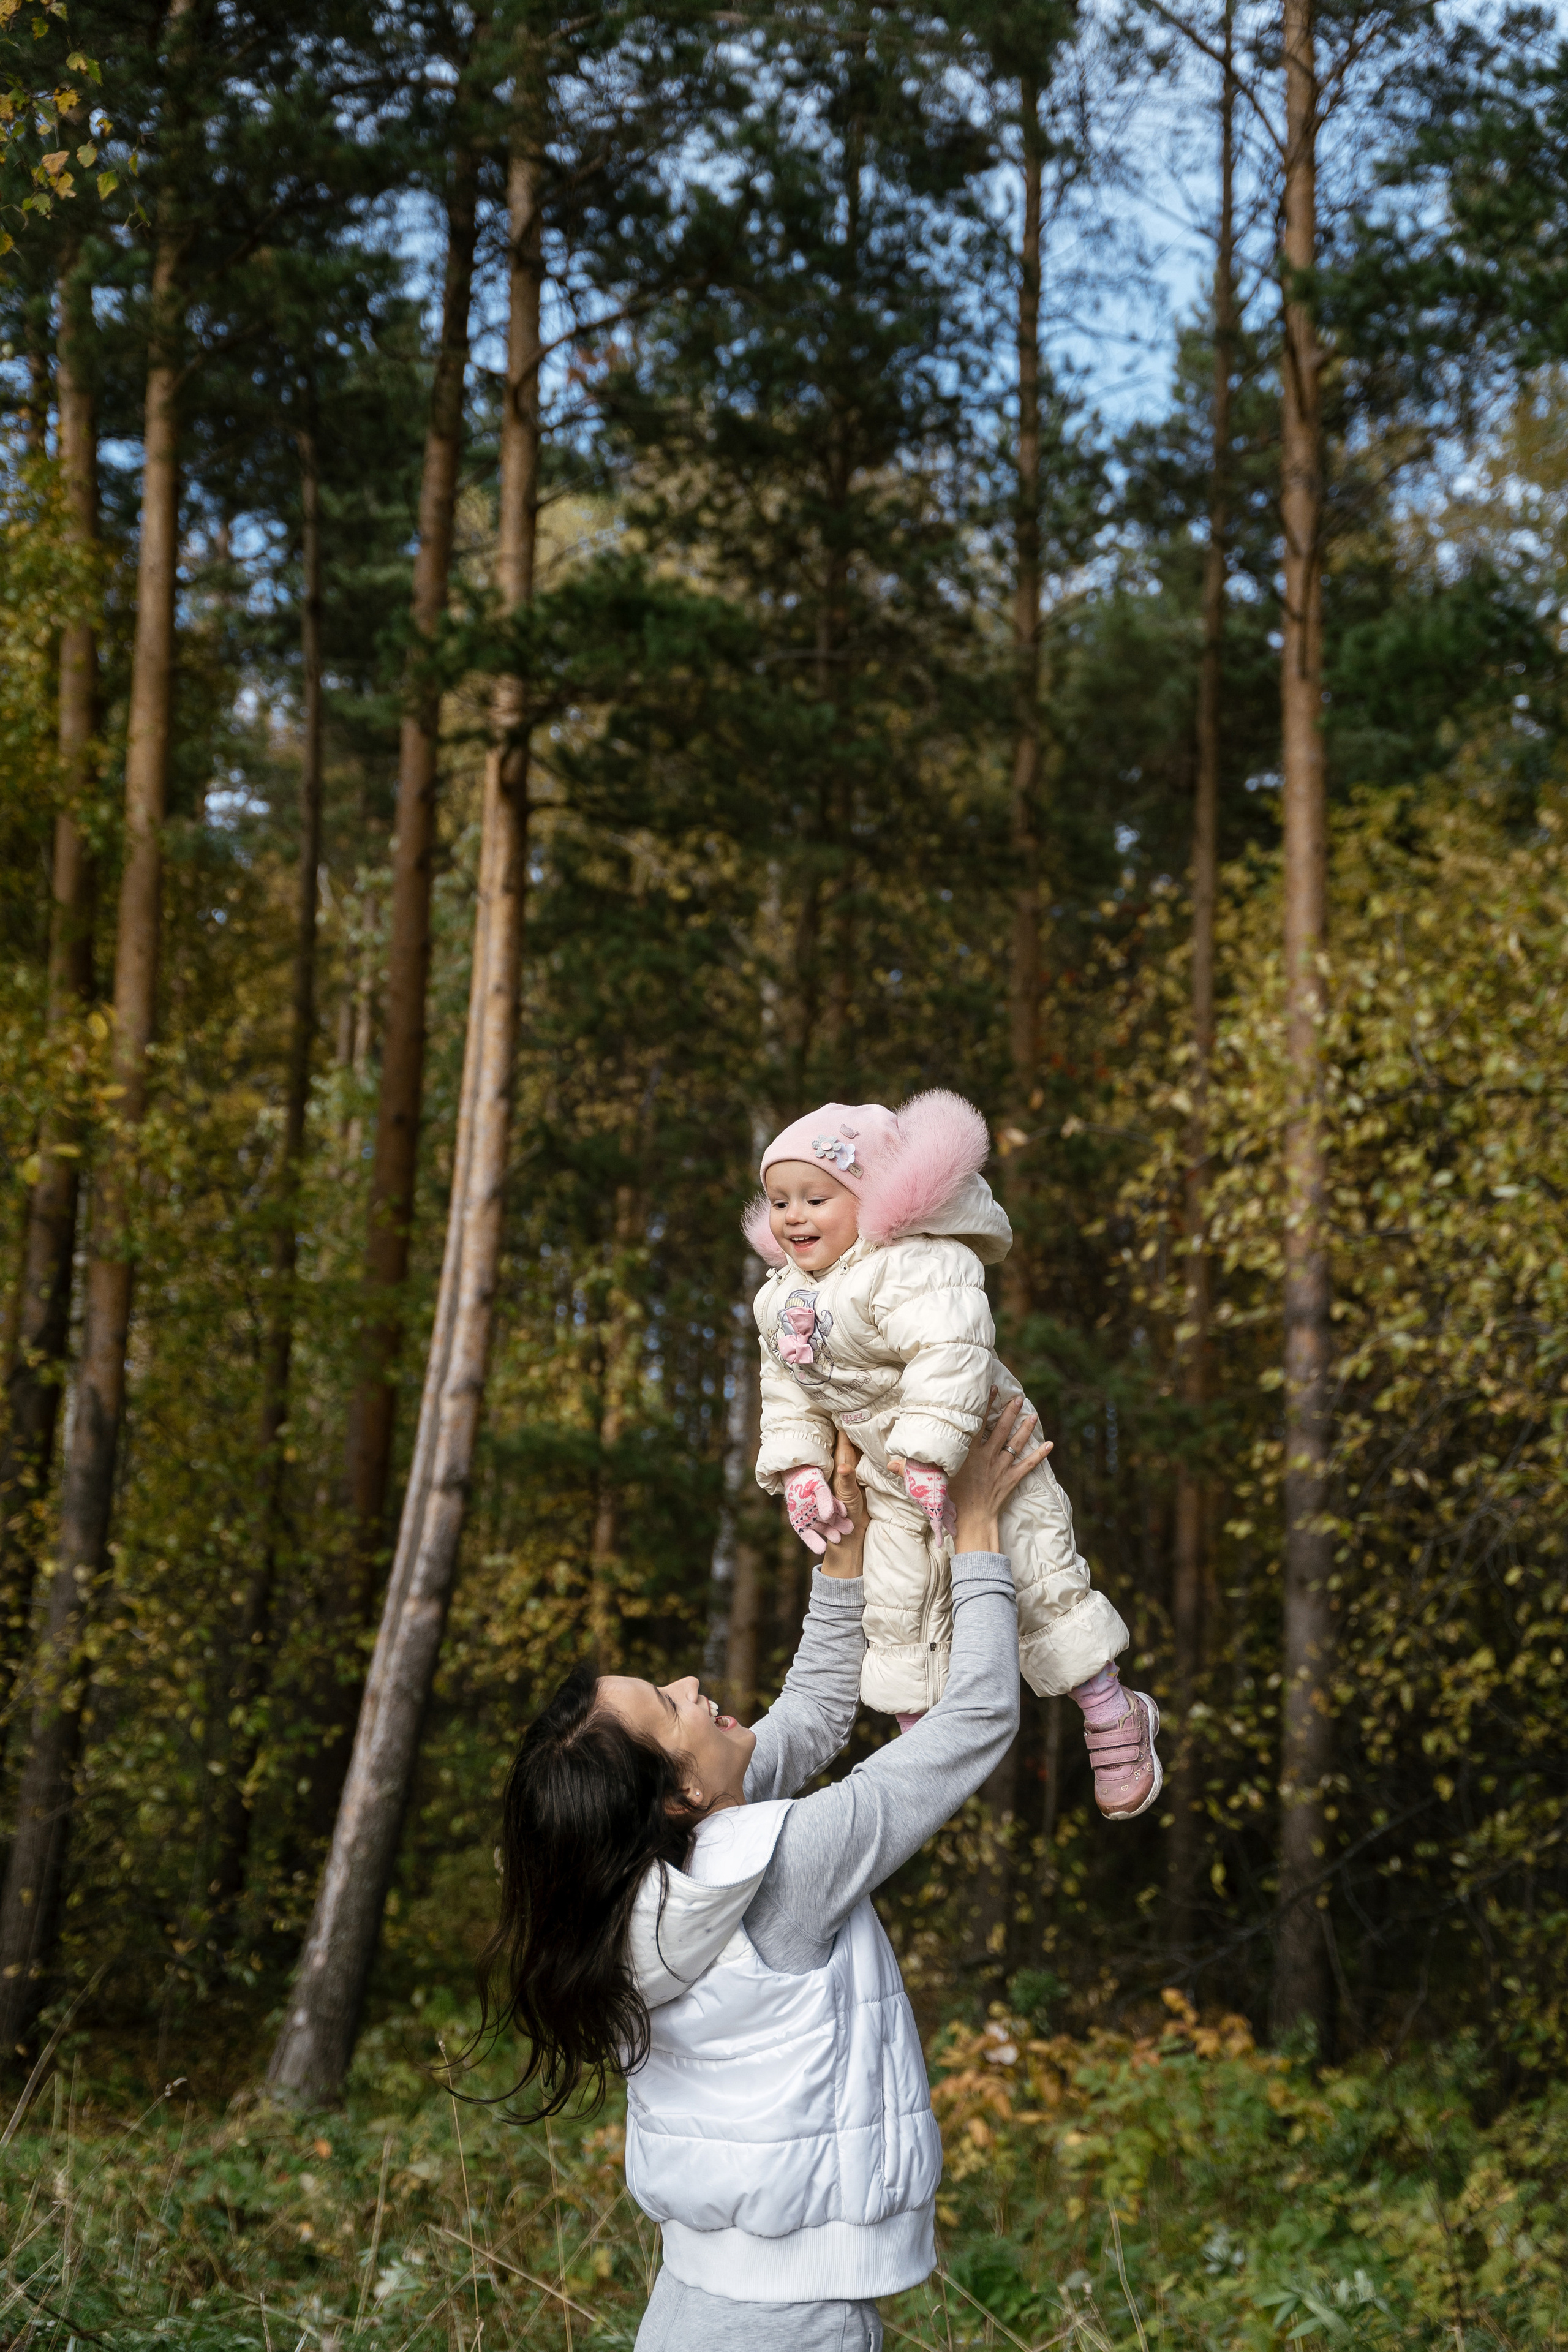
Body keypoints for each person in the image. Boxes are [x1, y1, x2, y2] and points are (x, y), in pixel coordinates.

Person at [481, 1398, 1050, 2351]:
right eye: (672, 1705)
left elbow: (819, 1709)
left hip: (695, 2305)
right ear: (677, 1797)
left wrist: (845, 1547)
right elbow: (979, 1718)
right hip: (794, 2327)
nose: (695, 1687)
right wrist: (981, 1528)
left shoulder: (654, 1886)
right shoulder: (785, 1866)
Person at [747, 1088, 1159, 1818]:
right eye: (779, 1202)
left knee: (1035, 1571)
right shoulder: (781, 1297)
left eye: (814, 1197)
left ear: (868, 1198)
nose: (793, 1217)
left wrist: (932, 1453)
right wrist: (801, 1469)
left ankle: (1110, 1706)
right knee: (898, 1604)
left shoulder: (912, 1263)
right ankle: (922, 1742)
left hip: (983, 1445)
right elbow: (786, 1388)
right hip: (885, 1475)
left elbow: (952, 1348)